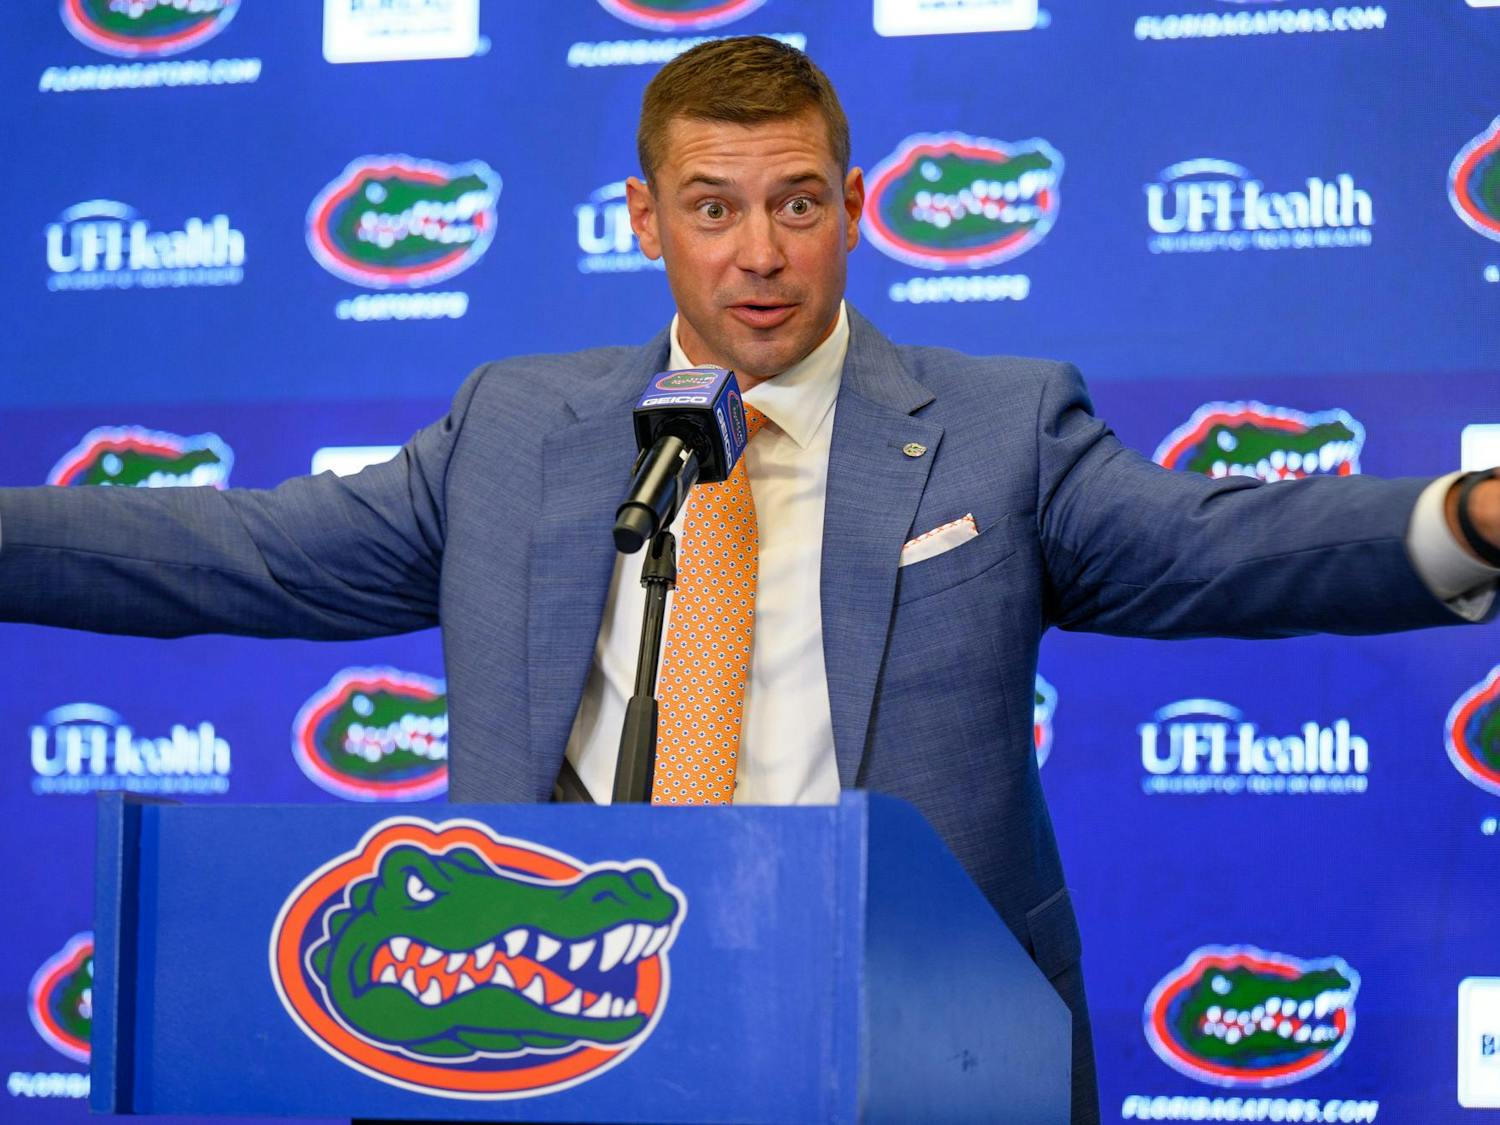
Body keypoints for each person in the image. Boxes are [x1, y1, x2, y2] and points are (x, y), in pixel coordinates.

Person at [3, 36, 1497, 1124]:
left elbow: (1212, 545)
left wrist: (1470, 515)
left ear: (854, 202)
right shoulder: (518, 429)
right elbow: (250, 553)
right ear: (647, 222)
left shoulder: (995, 422)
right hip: (555, 1035)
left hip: (903, 1041)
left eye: (796, 203)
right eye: (712, 209)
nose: (759, 255)